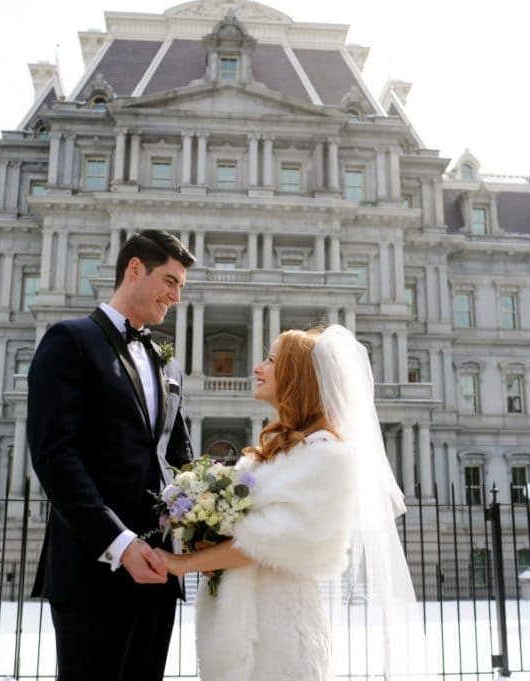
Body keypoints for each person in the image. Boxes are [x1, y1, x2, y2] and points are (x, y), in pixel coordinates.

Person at [157, 325, 416, 681]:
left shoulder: (328, 455)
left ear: (298, 377)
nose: (257, 367)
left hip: (280, 640)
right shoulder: (273, 452)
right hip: (236, 632)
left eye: (271, 360)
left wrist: (181, 564)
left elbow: (262, 544)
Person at [26, 229, 196, 681]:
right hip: (91, 569)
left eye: (180, 287)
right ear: (135, 269)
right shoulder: (69, 339)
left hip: (160, 574)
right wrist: (120, 544)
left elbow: (179, 461)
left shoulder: (168, 362)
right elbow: (54, 455)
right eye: (170, 281)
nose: (175, 297)